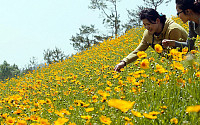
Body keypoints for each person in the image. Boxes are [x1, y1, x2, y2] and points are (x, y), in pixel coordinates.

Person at [114, 8, 188, 72]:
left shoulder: (173, 29)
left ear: (158, 21)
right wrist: (123, 62)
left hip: (189, 61)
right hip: (176, 65)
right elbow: (138, 51)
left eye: (148, 24)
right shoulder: (148, 34)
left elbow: (175, 54)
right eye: (144, 24)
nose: (146, 27)